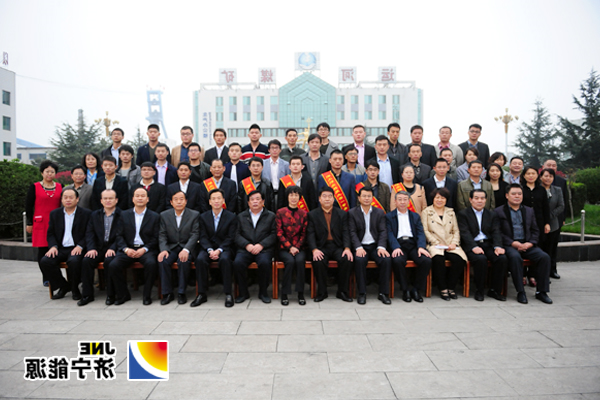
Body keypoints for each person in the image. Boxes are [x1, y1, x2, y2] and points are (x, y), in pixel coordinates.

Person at [496, 184, 552, 304]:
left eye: (519, 194)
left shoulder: (529, 210)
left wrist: (530, 243)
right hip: (510, 245)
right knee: (515, 258)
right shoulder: (499, 211)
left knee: (544, 257)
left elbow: (535, 230)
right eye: (513, 194)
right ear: (507, 196)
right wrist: (513, 243)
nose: (517, 196)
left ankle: (542, 292)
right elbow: (498, 232)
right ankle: (520, 291)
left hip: (527, 244)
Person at [110, 187, 160, 305]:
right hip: (128, 248)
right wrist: (126, 249)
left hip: (146, 249)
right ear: (133, 199)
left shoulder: (155, 216)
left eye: (143, 196)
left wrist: (144, 249)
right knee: (113, 265)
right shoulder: (124, 215)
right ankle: (123, 294)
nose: (140, 198)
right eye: (137, 196)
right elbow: (119, 235)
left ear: (147, 199)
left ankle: (147, 295)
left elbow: (156, 237)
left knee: (151, 264)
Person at [39, 188, 91, 301]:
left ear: (77, 199)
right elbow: (51, 233)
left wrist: (80, 246)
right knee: (45, 261)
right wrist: (53, 246)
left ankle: (75, 288)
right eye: (65, 197)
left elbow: (89, 233)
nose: (68, 200)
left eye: (71, 197)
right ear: (61, 200)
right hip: (60, 248)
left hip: (77, 247)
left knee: (74, 261)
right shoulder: (55, 214)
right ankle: (63, 286)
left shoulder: (86, 214)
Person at [457, 189, 508, 301]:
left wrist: (498, 246)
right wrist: (473, 247)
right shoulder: (463, 214)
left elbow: (496, 232)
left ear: (486, 200)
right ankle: (479, 290)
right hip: (472, 245)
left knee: (501, 258)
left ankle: (495, 290)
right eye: (476, 198)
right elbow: (465, 233)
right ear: (471, 200)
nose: (479, 201)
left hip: (487, 244)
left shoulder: (491, 214)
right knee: (480, 259)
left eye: (482, 198)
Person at [307, 187, 354, 302]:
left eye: (330, 196)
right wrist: (314, 250)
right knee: (318, 260)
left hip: (337, 246)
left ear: (333, 199)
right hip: (321, 246)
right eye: (324, 196)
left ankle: (342, 291)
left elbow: (346, 232)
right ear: (319, 199)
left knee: (347, 259)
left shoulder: (342, 214)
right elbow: (310, 234)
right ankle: (322, 292)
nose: (327, 199)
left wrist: (347, 248)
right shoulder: (312, 215)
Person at [420, 188, 467, 300]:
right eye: (437, 197)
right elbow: (425, 230)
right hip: (435, 244)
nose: (439, 200)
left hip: (450, 244)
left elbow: (456, 230)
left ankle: (451, 287)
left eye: (442, 198)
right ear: (433, 199)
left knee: (459, 260)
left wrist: (454, 243)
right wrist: (436, 243)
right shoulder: (426, 212)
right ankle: (443, 288)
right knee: (438, 260)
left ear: (446, 200)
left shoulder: (451, 212)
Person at [386, 190, 432, 302]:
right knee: (397, 261)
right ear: (395, 201)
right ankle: (405, 289)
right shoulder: (389, 216)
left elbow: (420, 232)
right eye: (400, 199)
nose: (402, 202)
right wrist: (395, 247)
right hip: (399, 244)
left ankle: (416, 289)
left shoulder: (415, 216)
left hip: (413, 245)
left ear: (408, 201)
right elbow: (389, 234)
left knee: (426, 260)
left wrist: (421, 247)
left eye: (405, 199)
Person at [195, 189, 238, 307]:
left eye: (219, 198)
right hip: (208, 248)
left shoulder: (231, 217)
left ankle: (228, 293)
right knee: (200, 259)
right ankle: (201, 293)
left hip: (225, 248)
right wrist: (210, 250)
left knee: (225, 259)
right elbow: (202, 236)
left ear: (223, 200)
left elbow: (231, 237)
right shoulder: (203, 217)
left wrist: (219, 250)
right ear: (209, 202)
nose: (216, 201)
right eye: (213, 199)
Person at [349, 187, 392, 305]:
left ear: (373, 198)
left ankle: (383, 293)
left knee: (386, 260)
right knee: (359, 260)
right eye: (364, 196)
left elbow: (383, 231)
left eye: (369, 196)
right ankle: (362, 293)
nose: (366, 198)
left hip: (375, 246)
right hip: (361, 246)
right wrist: (358, 247)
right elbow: (352, 232)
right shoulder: (352, 213)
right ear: (359, 198)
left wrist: (381, 247)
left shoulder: (379, 212)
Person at [79, 189, 122, 306]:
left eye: (111, 198)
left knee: (109, 262)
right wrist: (91, 248)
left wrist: (113, 248)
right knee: (86, 261)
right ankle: (87, 295)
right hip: (98, 248)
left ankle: (111, 294)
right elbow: (89, 233)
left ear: (116, 200)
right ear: (101, 201)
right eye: (105, 198)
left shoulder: (122, 215)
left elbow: (122, 235)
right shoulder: (94, 215)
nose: (108, 201)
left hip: (114, 248)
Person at [233, 190, 277, 304]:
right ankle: (243, 293)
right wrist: (247, 245)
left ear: (263, 201)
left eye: (258, 199)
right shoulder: (241, 216)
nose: (255, 202)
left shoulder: (271, 216)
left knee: (264, 263)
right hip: (245, 249)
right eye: (252, 200)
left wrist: (261, 245)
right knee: (238, 263)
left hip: (263, 249)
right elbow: (236, 235)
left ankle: (263, 292)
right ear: (248, 203)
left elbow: (274, 234)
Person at [157, 191, 200, 305]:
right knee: (163, 260)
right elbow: (162, 235)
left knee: (183, 260)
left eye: (181, 199)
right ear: (171, 202)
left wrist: (186, 250)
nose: (179, 202)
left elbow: (195, 234)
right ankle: (167, 293)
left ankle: (181, 292)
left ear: (186, 201)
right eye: (176, 199)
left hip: (186, 247)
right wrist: (164, 249)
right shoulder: (164, 215)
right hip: (171, 247)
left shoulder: (194, 215)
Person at [26, 160, 63, 286]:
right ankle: (46, 277)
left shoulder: (60, 186)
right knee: (43, 250)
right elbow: (28, 206)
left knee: (56, 249)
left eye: (52, 172)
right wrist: (29, 223)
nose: (49, 174)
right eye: (47, 171)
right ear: (42, 173)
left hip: (56, 223)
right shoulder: (35, 187)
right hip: (40, 223)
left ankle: (56, 275)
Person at [276, 185, 308, 306]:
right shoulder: (280, 212)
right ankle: (284, 293)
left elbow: (304, 233)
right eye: (291, 195)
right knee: (289, 262)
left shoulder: (304, 214)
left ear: (300, 198)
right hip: (284, 248)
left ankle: (300, 293)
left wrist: (297, 247)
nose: (293, 198)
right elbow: (279, 233)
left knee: (300, 261)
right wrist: (290, 247)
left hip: (300, 248)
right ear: (287, 197)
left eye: (296, 195)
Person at [521, 166, 551, 287]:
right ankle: (522, 274)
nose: (531, 176)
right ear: (524, 176)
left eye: (533, 173)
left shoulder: (541, 189)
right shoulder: (520, 189)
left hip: (539, 222)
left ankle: (532, 275)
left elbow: (546, 207)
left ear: (537, 175)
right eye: (528, 173)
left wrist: (547, 223)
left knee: (538, 246)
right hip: (524, 222)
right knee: (524, 247)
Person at [540, 168, 564, 280]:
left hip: (553, 223)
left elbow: (561, 206)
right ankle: (540, 273)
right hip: (539, 223)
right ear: (541, 177)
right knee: (541, 249)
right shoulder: (538, 190)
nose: (548, 178)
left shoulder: (557, 190)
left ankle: (552, 270)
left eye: (550, 176)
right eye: (545, 176)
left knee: (552, 249)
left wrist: (549, 216)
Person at [262, 139, 290, 207]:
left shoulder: (286, 164)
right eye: (272, 148)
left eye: (276, 148)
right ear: (269, 150)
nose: (274, 150)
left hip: (281, 193)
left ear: (280, 150)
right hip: (267, 193)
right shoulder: (263, 164)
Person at [543, 159, 568, 230]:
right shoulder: (537, 180)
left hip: (557, 217)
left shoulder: (562, 181)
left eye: (553, 166)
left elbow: (565, 200)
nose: (551, 167)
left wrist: (563, 218)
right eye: (549, 165)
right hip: (540, 218)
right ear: (543, 167)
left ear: (556, 168)